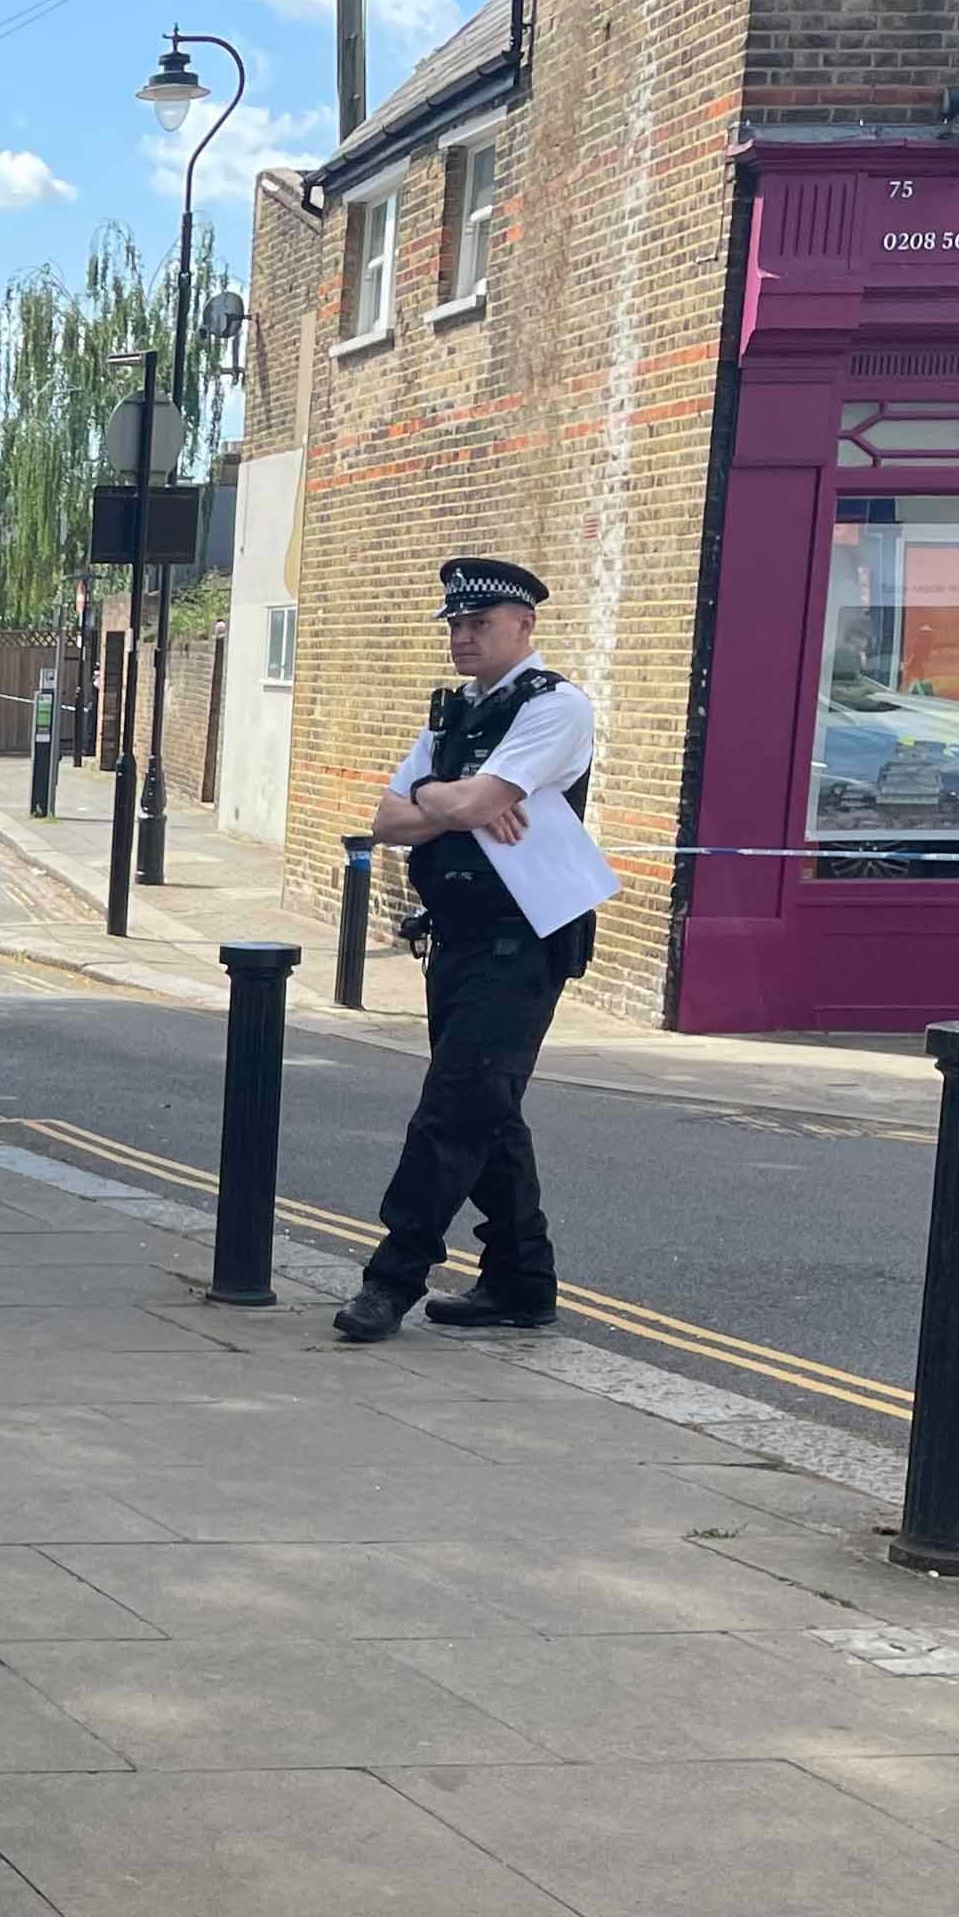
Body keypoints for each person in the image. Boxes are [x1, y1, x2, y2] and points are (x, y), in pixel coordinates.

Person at [331, 556, 610, 1342]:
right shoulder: (450, 715)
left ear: (525, 626)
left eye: (479, 623)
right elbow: (387, 821)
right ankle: (521, 1279)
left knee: (452, 1111)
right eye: (455, 623)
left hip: (523, 939)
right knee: (490, 1109)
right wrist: (446, 804)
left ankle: (394, 1277)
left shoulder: (557, 708)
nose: (462, 636)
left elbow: (486, 799)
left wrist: (455, 801)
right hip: (453, 935)